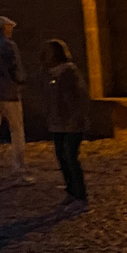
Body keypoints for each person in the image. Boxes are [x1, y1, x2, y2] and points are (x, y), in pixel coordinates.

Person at [0, 15, 33, 187]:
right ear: (4, 29)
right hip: (9, 94)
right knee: (17, 132)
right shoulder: (8, 45)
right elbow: (16, 69)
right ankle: (19, 170)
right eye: (10, 28)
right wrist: (22, 81)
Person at [42, 38, 90, 210]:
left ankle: (80, 195)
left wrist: (75, 118)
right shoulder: (51, 74)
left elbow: (77, 98)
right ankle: (71, 192)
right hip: (58, 123)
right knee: (62, 157)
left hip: (71, 123)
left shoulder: (69, 72)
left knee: (71, 157)